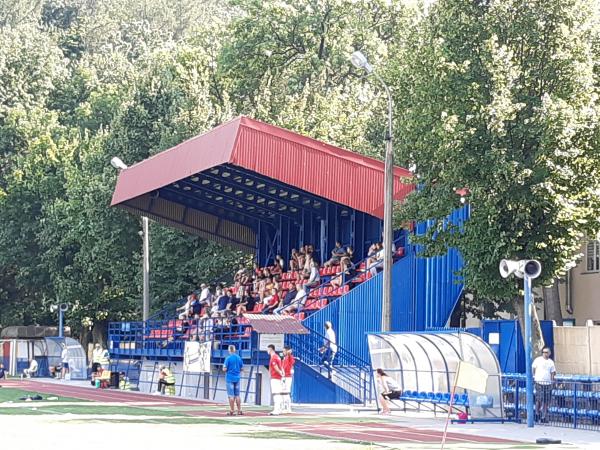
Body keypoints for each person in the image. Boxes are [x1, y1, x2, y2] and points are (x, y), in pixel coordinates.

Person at [533, 346, 556, 423]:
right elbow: (533, 368)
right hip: (539, 382)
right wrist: (534, 377)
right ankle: (537, 414)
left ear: (549, 353)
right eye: (543, 352)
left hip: (548, 383)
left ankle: (544, 416)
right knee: (539, 399)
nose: (545, 354)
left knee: (546, 401)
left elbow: (552, 373)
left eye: (546, 352)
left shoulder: (551, 362)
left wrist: (552, 382)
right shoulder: (538, 360)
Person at [223, 345, 244, 416]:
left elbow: (224, 369)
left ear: (229, 350)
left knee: (231, 395)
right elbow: (242, 368)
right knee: (237, 395)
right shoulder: (239, 358)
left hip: (229, 378)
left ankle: (232, 410)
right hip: (237, 378)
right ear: (235, 350)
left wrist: (227, 370)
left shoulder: (228, 358)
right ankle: (239, 410)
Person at [267, 344, 285, 415]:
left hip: (275, 377)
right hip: (278, 377)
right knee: (278, 393)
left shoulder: (273, 357)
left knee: (276, 394)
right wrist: (282, 373)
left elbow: (275, 367)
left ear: (271, 349)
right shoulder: (277, 357)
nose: (267, 351)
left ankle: (276, 410)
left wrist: (280, 373)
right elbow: (281, 366)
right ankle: (279, 408)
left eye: (268, 349)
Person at [281, 345, 295, 414]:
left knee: (286, 392)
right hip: (283, 377)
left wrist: (289, 353)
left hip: (287, 377)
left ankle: (288, 408)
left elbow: (291, 361)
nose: (283, 352)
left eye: (284, 351)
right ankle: (284, 407)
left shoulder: (290, 357)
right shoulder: (284, 358)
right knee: (283, 393)